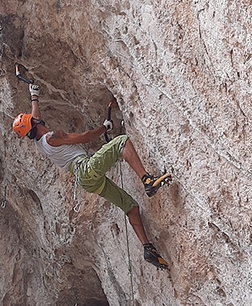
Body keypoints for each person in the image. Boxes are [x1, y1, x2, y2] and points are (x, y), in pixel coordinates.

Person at [13, 82, 171, 270]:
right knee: (122, 142)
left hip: (87, 182)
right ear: (35, 124)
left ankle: (148, 248)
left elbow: (35, 119)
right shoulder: (53, 136)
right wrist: (104, 128)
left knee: (130, 206)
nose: (37, 118)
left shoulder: (40, 142)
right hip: (85, 169)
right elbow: (86, 137)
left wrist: (34, 96)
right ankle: (147, 180)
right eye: (34, 119)